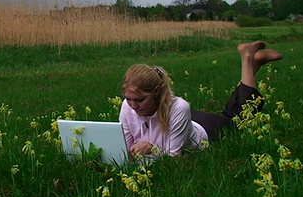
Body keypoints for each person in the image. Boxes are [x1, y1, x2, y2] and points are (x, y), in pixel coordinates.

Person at [119, 41, 282, 157]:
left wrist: (152, 149)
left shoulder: (178, 108)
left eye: (139, 100)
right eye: (129, 99)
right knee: (232, 112)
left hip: (206, 129)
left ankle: (247, 58)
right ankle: (254, 64)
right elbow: (123, 148)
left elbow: (173, 157)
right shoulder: (127, 106)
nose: (133, 105)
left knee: (238, 119)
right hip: (188, 121)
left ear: (156, 91)